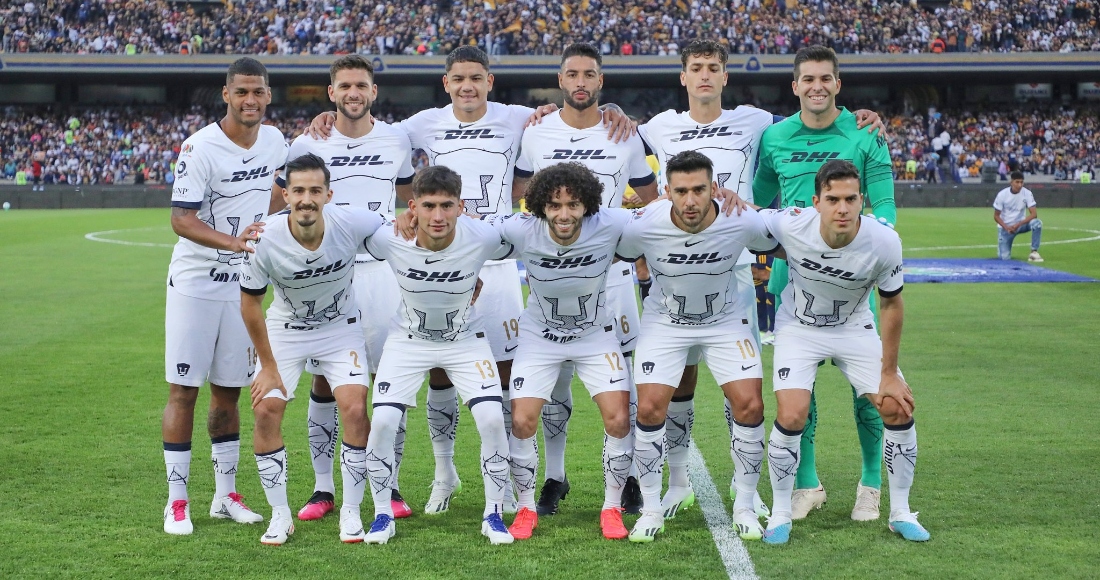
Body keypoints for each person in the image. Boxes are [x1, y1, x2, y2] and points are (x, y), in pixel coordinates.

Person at [306, 46, 632, 516]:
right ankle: (444, 474)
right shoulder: (420, 124)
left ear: (489, 81)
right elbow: (367, 126)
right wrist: (329, 116)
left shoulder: (518, 118)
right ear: (446, 83)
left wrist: (614, 111)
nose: (467, 87)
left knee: (508, 378)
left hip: (496, 261)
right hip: (445, 257)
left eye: (476, 78)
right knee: (435, 367)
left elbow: (570, 113)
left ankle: (513, 487)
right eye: (458, 78)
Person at [512, 42, 658, 517]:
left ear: (600, 81)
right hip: (556, 276)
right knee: (554, 381)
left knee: (623, 381)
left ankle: (628, 478)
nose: (580, 82)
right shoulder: (535, 131)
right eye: (572, 74)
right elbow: (520, 195)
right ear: (560, 80)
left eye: (588, 74)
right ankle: (555, 477)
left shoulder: (624, 134)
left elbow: (653, 198)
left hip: (612, 275)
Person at [753, 45, 896, 523]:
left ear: (838, 84)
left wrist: (867, 252)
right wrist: (761, 252)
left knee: (869, 393)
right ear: (795, 86)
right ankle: (807, 484)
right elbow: (758, 204)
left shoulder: (866, 132)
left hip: (853, 285)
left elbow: (885, 208)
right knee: (799, 392)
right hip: (791, 282)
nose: (817, 86)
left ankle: (871, 485)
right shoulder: (774, 137)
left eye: (825, 78)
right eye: (808, 79)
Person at [759, 159, 928, 545]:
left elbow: (891, 304)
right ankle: (781, 513)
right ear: (816, 202)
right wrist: (724, 200)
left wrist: (889, 373)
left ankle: (901, 512)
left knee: (897, 406)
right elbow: (748, 220)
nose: (842, 208)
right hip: (799, 329)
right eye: (833, 199)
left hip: (854, 328)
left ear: (861, 200)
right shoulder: (792, 223)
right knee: (792, 412)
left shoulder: (884, 241)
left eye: (851, 199)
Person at [615, 151, 778, 542]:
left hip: (724, 321)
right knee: (650, 408)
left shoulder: (740, 218)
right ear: (667, 191)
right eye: (681, 191)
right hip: (665, 323)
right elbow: (607, 248)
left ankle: (745, 503)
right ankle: (653, 507)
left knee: (750, 405)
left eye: (699, 190)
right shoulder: (645, 222)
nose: (690, 201)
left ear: (714, 189)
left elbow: (787, 239)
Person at [282, 54, 416, 522]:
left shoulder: (396, 138)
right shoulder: (308, 141)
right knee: (325, 380)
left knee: (387, 381)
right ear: (331, 92)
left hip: (383, 274)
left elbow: (409, 195)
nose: (353, 93)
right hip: (329, 275)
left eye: (361, 85)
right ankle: (323, 489)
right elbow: (287, 203)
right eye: (344, 86)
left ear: (373, 91)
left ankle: (388, 483)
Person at [161, 57, 287, 535]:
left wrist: (266, 222)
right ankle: (177, 502)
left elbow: (276, 193)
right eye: (242, 92)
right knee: (183, 390)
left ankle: (225, 495)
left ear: (268, 95)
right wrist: (235, 242)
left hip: (244, 285)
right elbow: (181, 219)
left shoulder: (276, 141)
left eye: (258, 92)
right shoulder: (199, 146)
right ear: (227, 94)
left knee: (229, 392)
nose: (250, 100)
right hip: (196, 283)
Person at [361, 166, 514, 546]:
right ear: (412, 207)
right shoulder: (389, 238)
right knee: (382, 421)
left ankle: (493, 515)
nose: (438, 216)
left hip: (465, 340)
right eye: (428, 206)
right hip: (407, 340)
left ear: (461, 206)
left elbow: (535, 232)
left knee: (492, 418)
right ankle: (382, 515)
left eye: (447, 205)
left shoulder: (483, 236)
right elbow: (342, 232)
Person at [239, 153, 386, 545]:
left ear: (328, 195)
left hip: (340, 329)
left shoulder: (351, 221)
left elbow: (397, 229)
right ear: (286, 194)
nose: (307, 199)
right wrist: (268, 367)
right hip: (286, 330)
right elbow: (250, 304)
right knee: (266, 409)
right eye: (299, 191)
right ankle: (280, 514)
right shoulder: (264, 238)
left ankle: (351, 511)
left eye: (315, 191)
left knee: (354, 407)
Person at [490, 162, 636, 541]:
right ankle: (525, 507)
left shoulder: (611, 224)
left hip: (595, 335)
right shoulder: (522, 228)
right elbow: (472, 229)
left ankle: (612, 507)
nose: (564, 214)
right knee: (522, 420)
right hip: (539, 337)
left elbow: (662, 221)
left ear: (587, 205)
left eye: (573, 204)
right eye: (554, 206)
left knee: (619, 417)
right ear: (541, 206)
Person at [994, 170, 1043, 262]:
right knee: (1004, 259)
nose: (1020, 185)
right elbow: (996, 216)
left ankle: (1034, 252)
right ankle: (1002, 248)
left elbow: (1034, 214)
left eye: (1021, 182)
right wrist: (1006, 228)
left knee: (1037, 223)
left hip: (1021, 225)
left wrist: (1018, 224)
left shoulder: (1027, 193)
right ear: (1011, 182)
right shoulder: (1002, 195)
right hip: (1006, 228)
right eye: (1017, 182)